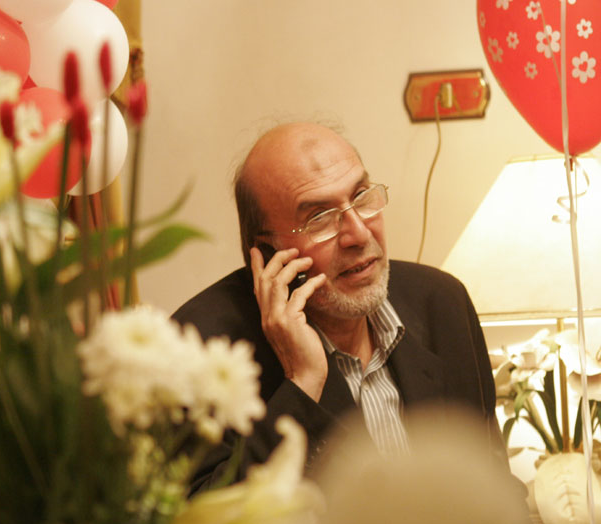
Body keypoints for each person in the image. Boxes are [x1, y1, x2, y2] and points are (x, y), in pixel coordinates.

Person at [172, 121, 505, 492]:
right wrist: (302, 384)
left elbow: (496, 487)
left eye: (362, 197)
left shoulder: (442, 301)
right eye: (319, 218)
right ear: (267, 254)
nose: (359, 234)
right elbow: (204, 518)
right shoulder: (200, 350)